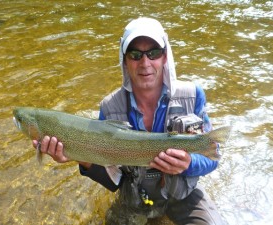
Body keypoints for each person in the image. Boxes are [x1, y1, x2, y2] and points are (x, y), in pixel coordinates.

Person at [33, 17, 224, 225]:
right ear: (124, 60)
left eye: (153, 53)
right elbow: (113, 180)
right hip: (133, 199)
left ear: (165, 56)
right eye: (135, 54)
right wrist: (76, 154)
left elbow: (212, 157)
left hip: (183, 196)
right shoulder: (110, 108)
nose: (145, 63)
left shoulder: (193, 95)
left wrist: (188, 164)